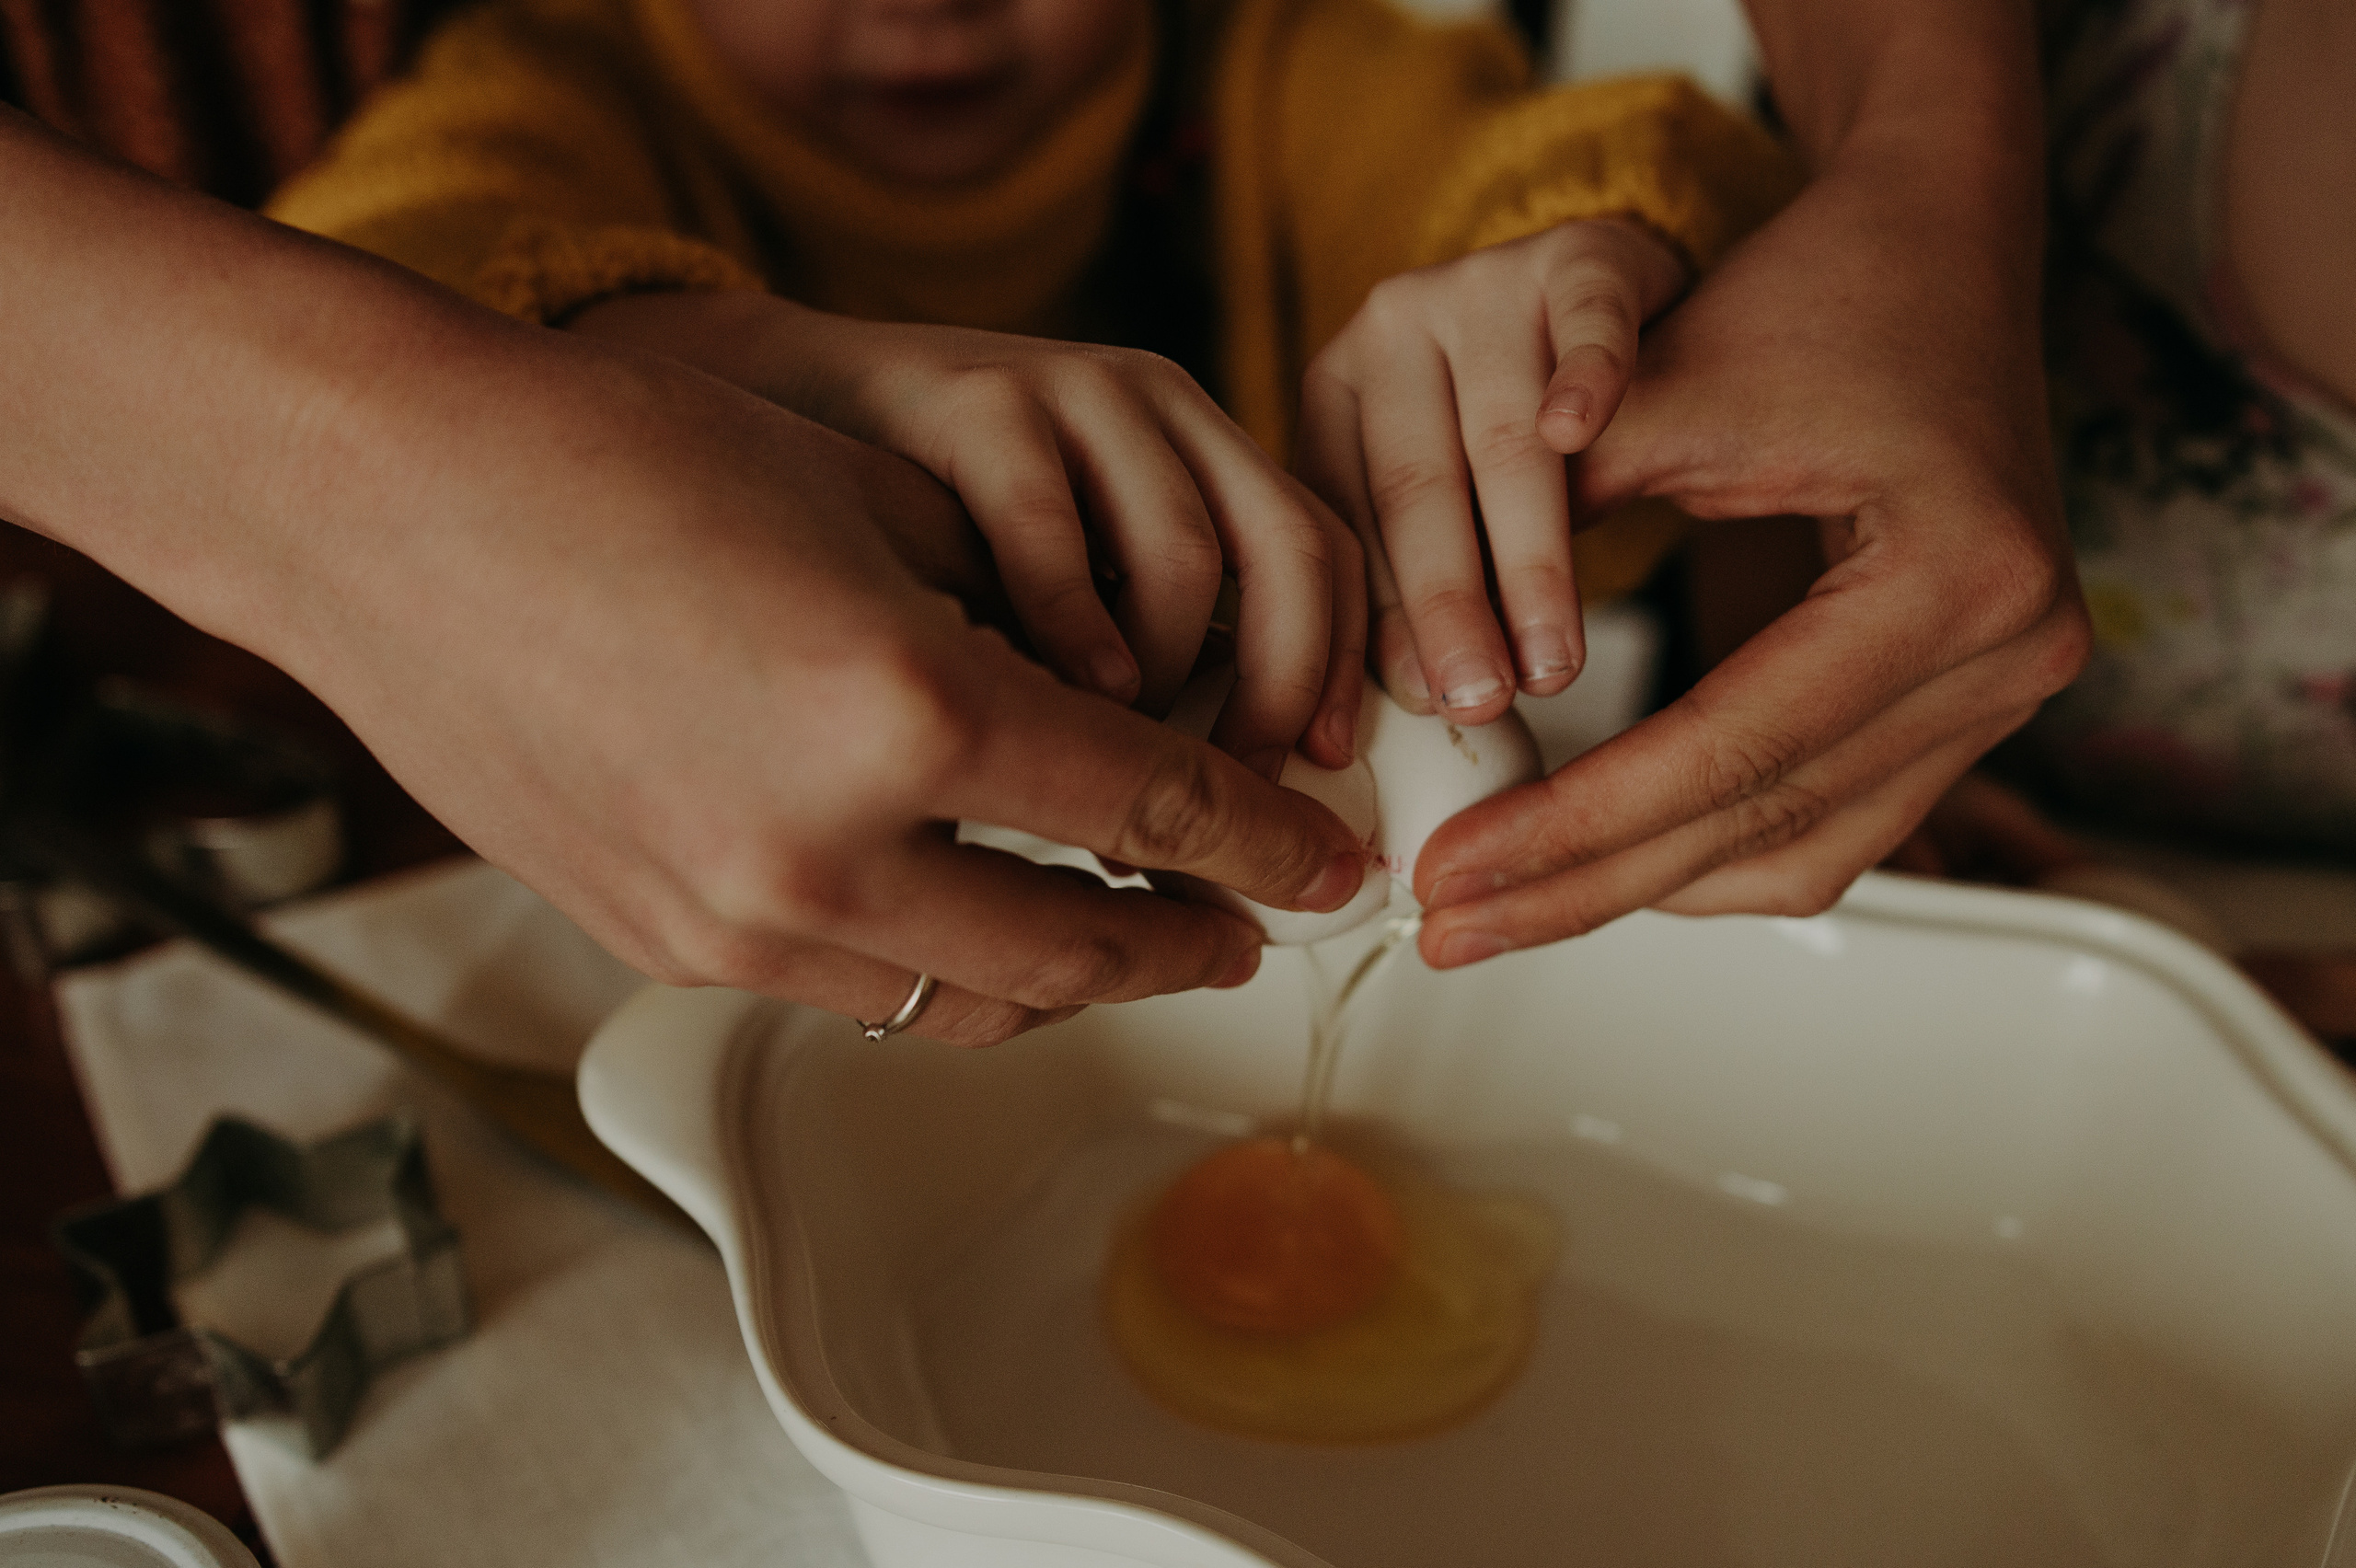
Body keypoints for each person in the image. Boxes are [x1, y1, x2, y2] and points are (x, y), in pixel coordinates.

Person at [1, 105, 1374, 1046]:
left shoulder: (1288, 69)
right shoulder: (574, 77)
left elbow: (1526, 149)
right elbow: (414, 203)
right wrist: (396, 469)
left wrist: (1584, 253)